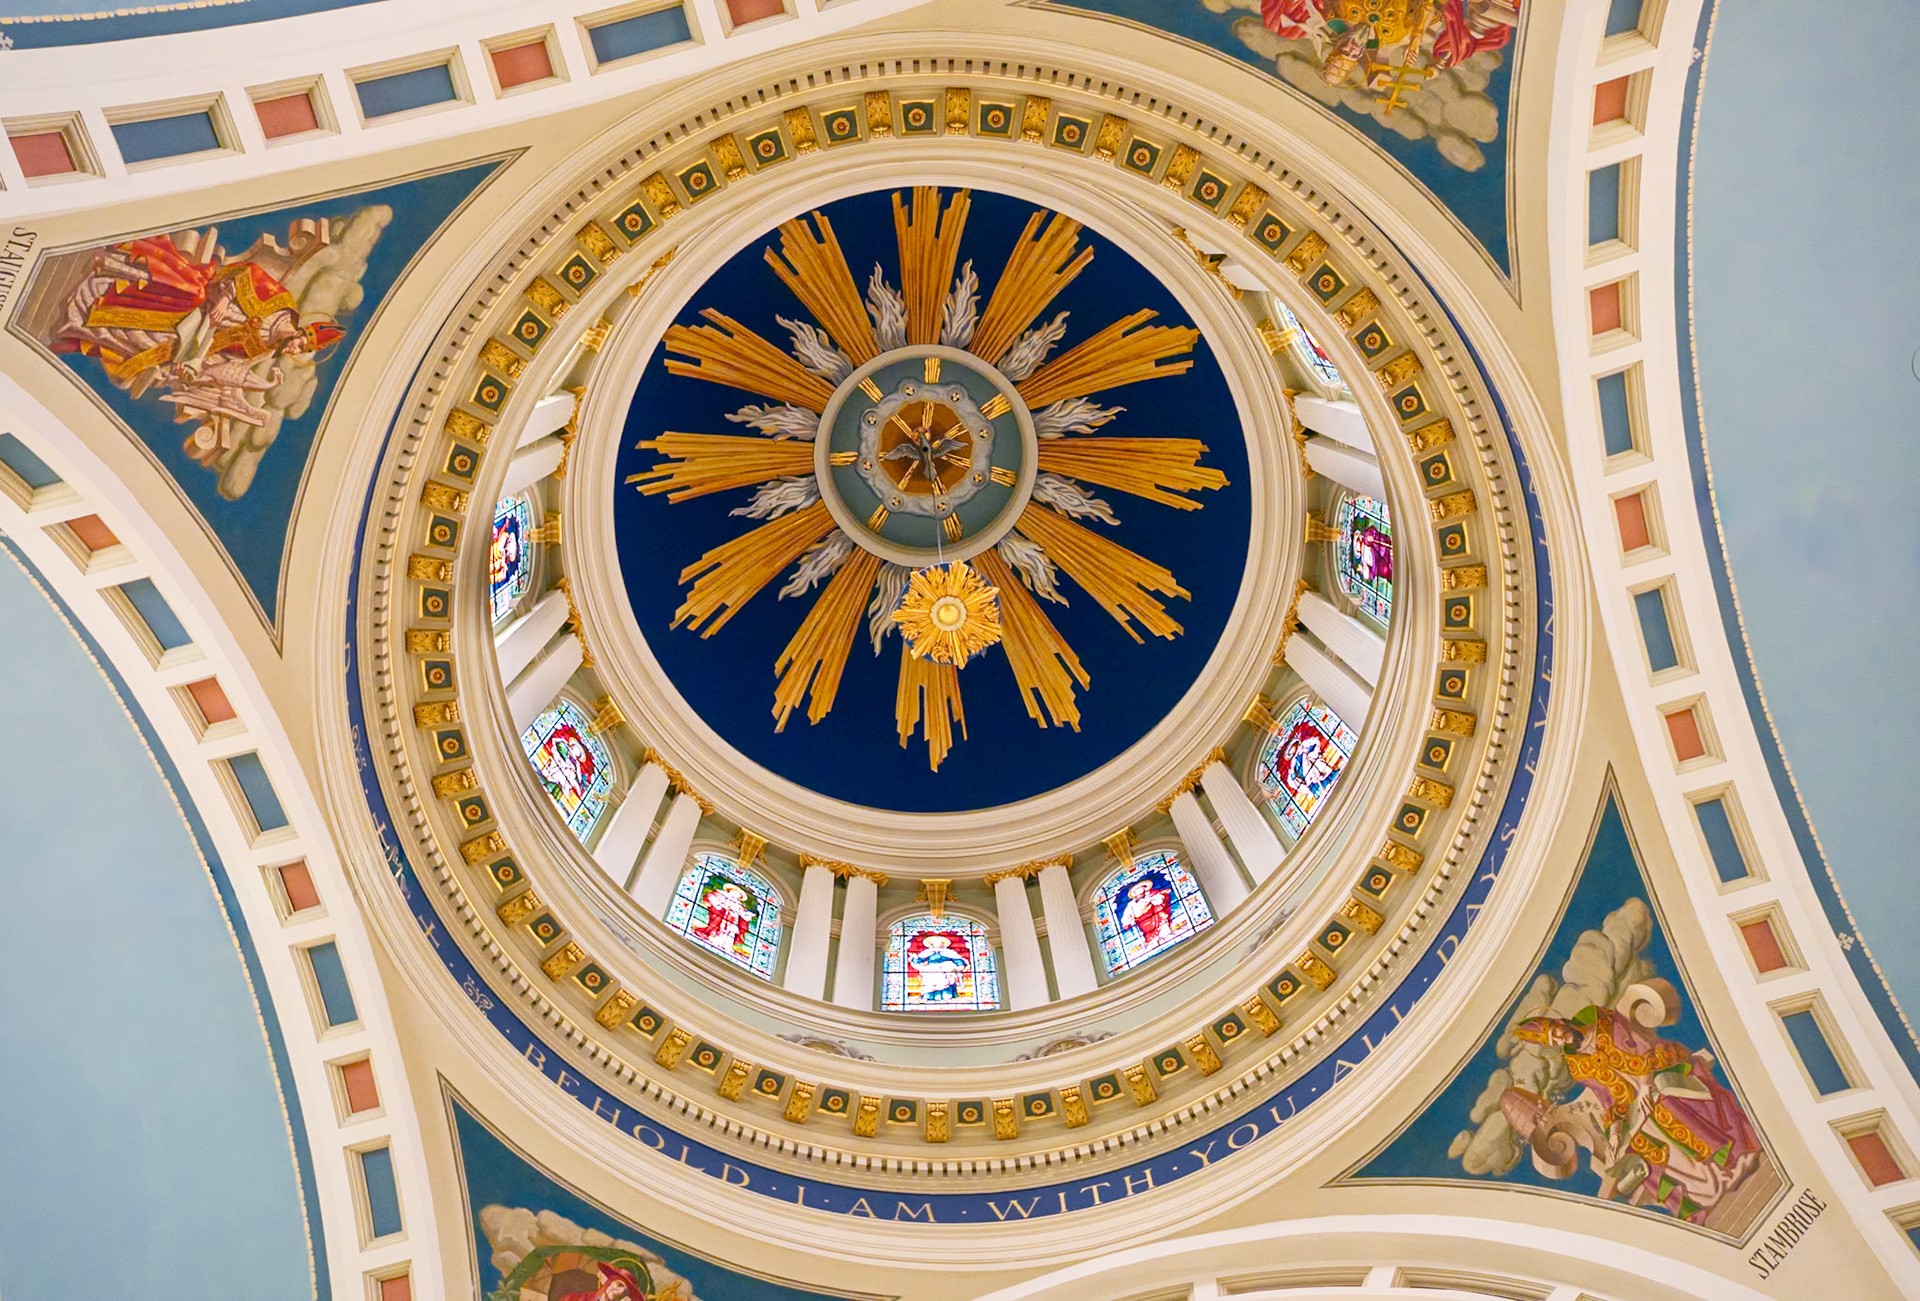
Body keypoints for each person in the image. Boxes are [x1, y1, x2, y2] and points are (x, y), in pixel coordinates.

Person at [1501, 1005, 1764, 1223]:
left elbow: (1642, 1050)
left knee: (1665, 1108)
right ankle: (1700, 1195)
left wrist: (1646, 1086)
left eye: (1557, 1031)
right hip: (1634, 1101)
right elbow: (1609, 1097)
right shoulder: (1577, 1066)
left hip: (1659, 1067)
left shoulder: (1602, 1019)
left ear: (1560, 1020)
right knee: (1636, 1145)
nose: (1560, 1038)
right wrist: (1614, 1134)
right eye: (1553, 1040)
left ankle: (1726, 1162)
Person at [691, 881, 756, 957]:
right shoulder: (721, 894)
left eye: (739, 895)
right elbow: (710, 897)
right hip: (722, 915)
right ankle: (715, 939)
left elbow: (742, 913)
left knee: (729, 932)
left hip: (733, 920)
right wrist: (718, 904)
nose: (737, 895)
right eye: (736, 893)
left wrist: (747, 916)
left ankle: (726, 945)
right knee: (719, 927)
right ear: (731, 890)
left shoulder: (739, 904)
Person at [909, 932, 971, 1002]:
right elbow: (919, 960)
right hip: (931, 969)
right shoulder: (928, 952)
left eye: (939, 942)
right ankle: (927, 996)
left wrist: (960, 965)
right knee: (928, 979)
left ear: (943, 943)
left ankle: (947, 996)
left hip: (946, 968)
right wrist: (915, 958)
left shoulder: (949, 952)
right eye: (935, 942)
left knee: (946, 978)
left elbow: (956, 959)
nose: (937, 944)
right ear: (931, 944)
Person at [1118, 875, 1175, 952]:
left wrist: (1150, 900)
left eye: (1141, 888)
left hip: (1156, 916)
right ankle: (1153, 943)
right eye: (1137, 890)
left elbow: (1161, 899)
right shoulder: (1131, 906)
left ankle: (1166, 935)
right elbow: (1126, 919)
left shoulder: (1151, 894)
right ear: (1134, 893)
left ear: (1145, 888)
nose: (1139, 891)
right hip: (1144, 923)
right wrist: (1128, 921)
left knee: (1162, 920)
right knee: (1152, 939)